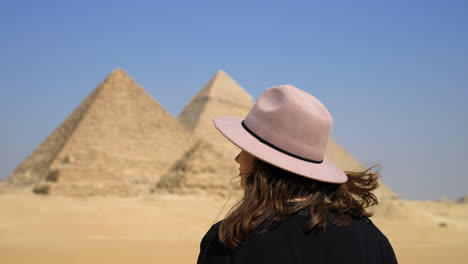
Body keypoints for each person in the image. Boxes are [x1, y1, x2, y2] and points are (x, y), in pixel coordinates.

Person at [196, 84, 398, 264]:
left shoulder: (229, 238)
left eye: (245, 148)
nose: (238, 158)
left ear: (263, 162)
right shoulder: (372, 241)